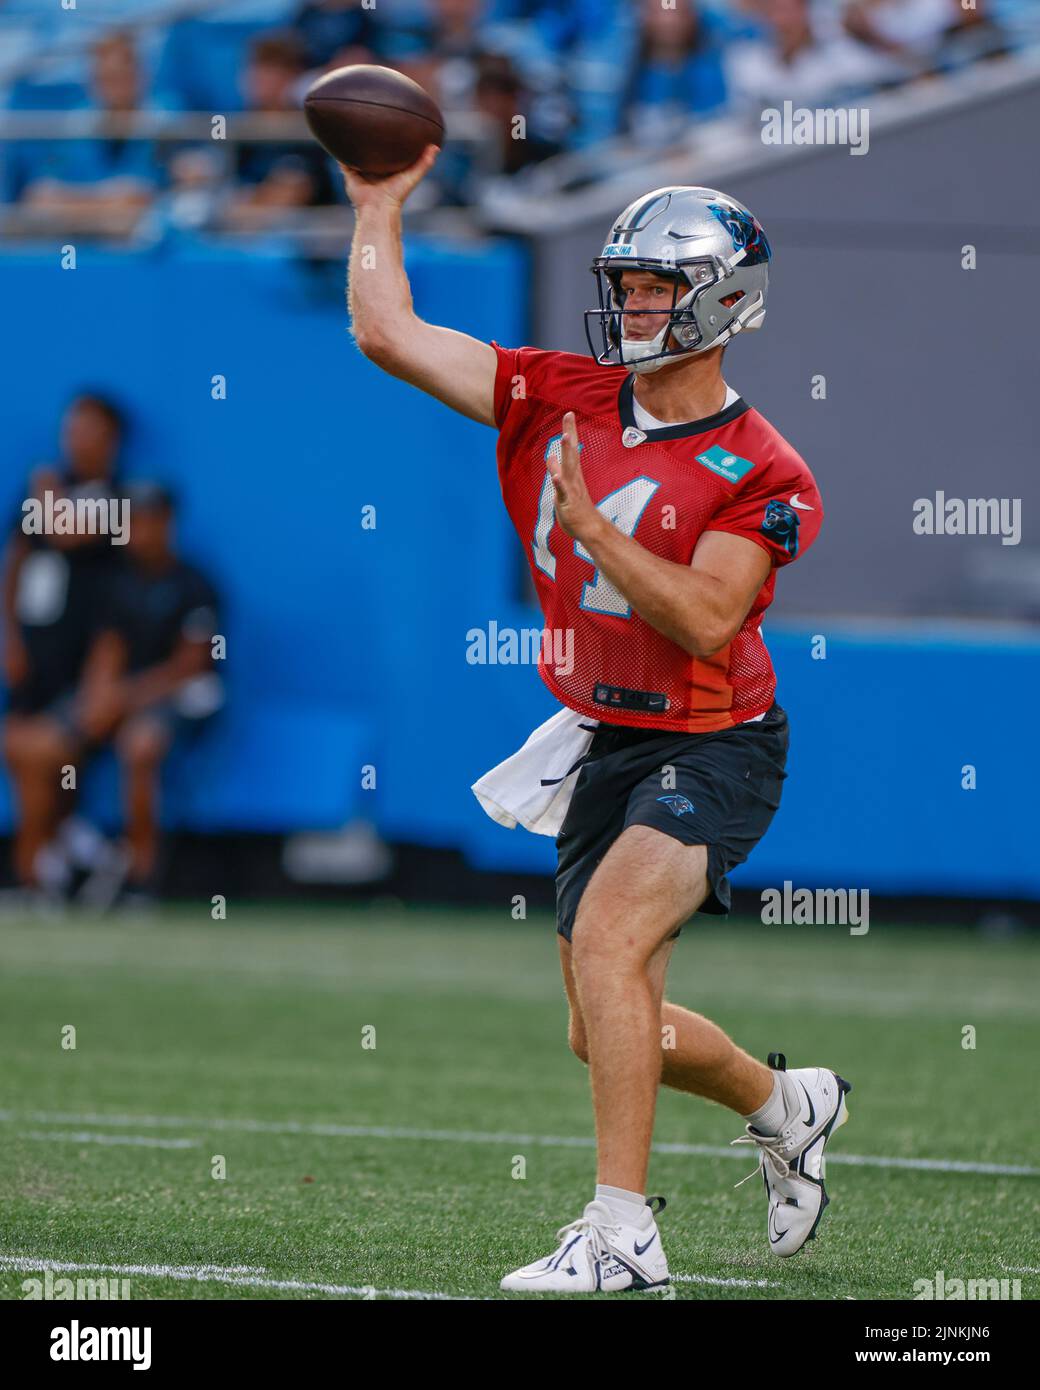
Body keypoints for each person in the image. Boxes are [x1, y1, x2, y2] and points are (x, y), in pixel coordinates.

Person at [343, 149, 849, 1293]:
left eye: (655, 287)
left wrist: (595, 527)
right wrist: (377, 200)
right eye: (623, 283)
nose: (630, 304)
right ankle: (786, 1102)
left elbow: (710, 618)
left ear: (722, 300)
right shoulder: (557, 393)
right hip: (600, 737)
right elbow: (389, 334)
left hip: (714, 740)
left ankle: (620, 1233)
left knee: (615, 950)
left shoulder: (761, 467)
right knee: (602, 1022)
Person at [2, 394, 128, 894]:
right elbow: (16, 556)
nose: (73, 438)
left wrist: (49, 496)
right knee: (24, 755)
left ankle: (41, 870)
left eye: (87, 428)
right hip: (36, 655)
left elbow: (64, 533)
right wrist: (9, 637)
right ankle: (66, 857)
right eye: (70, 428)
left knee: (54, 759)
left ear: (111, 438)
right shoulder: (45, 490)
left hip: (87, 663)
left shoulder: (120, 500)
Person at [75, 483, 223, 903]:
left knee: (141, 745)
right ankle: (58, 866)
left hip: (186, 701)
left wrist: (119, 699)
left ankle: (142, 879)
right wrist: (96, 701)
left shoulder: (196, 585)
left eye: (147, 520)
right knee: (43, 743)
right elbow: (107, 653)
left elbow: (189, 667)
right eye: (132, 521)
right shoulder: (116, 586)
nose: (138, 531)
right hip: (126, 699)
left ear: (167, 524)